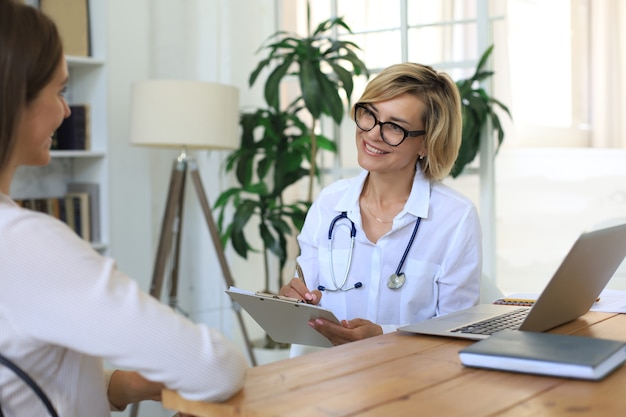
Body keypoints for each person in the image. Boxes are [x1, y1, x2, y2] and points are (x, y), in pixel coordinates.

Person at [0, 1, 247, 415]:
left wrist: (118, 385)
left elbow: (22, 370)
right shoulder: (25, 243)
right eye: (60, 91)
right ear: (15, 97)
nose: (66, 110)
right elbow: (214, 369)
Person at [280, 62, 482, 351]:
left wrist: (384, 337)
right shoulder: (329, 203)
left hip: (412, 384)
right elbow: (306, 298)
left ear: (427, 143)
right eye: (369, 116)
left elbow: (456, 334)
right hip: (328, 378)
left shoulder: (455, 218)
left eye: (395, 127)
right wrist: (292, 300)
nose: (373, 134)